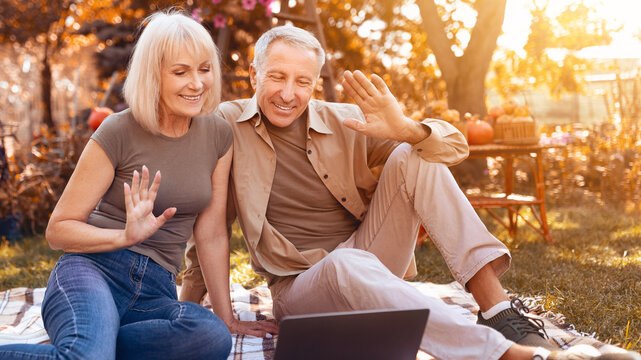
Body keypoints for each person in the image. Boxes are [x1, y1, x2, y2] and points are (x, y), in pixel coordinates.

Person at [181, 25, 640, 360]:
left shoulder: (344, 119)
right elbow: (211, 224)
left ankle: (497, 309)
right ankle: (504, 354)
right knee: (342, 264)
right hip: (300, 288)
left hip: (371, 258)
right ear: (254, 71)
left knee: (416, 154)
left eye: (302, 81)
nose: (288, 93)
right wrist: (202, 307)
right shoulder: (225, 126)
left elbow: (454, 147)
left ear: (315, 84)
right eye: (277, 77)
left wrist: (404, 128)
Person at [0, 11, 276, 360]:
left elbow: (211, 233)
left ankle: (101, 346)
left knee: (211, 337)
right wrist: (123, 237)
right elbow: (58, 231)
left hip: (155, 292)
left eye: (204, 69)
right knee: (85, 356)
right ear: (153, 75)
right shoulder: (118, 131)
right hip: (92, 272)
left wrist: (227, 318)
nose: (197, 84)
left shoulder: (218, 135)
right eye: (180, 72)